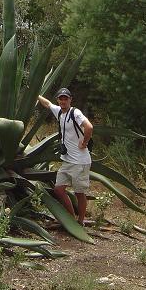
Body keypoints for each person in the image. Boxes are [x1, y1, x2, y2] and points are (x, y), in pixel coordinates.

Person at [37, 88, 93, 225]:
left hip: (80, 161)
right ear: (58, 100)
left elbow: (89, 127)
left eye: (65, 98)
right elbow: (47, 104)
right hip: (67, 160)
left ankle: (80, 221)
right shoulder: (60, 112)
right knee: (59, 189)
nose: (63, 101)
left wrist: (84, 142)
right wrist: (35, 95)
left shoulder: (75, 113)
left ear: (70, 100)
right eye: (60, 98)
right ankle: (71, 217)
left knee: (79, 193)